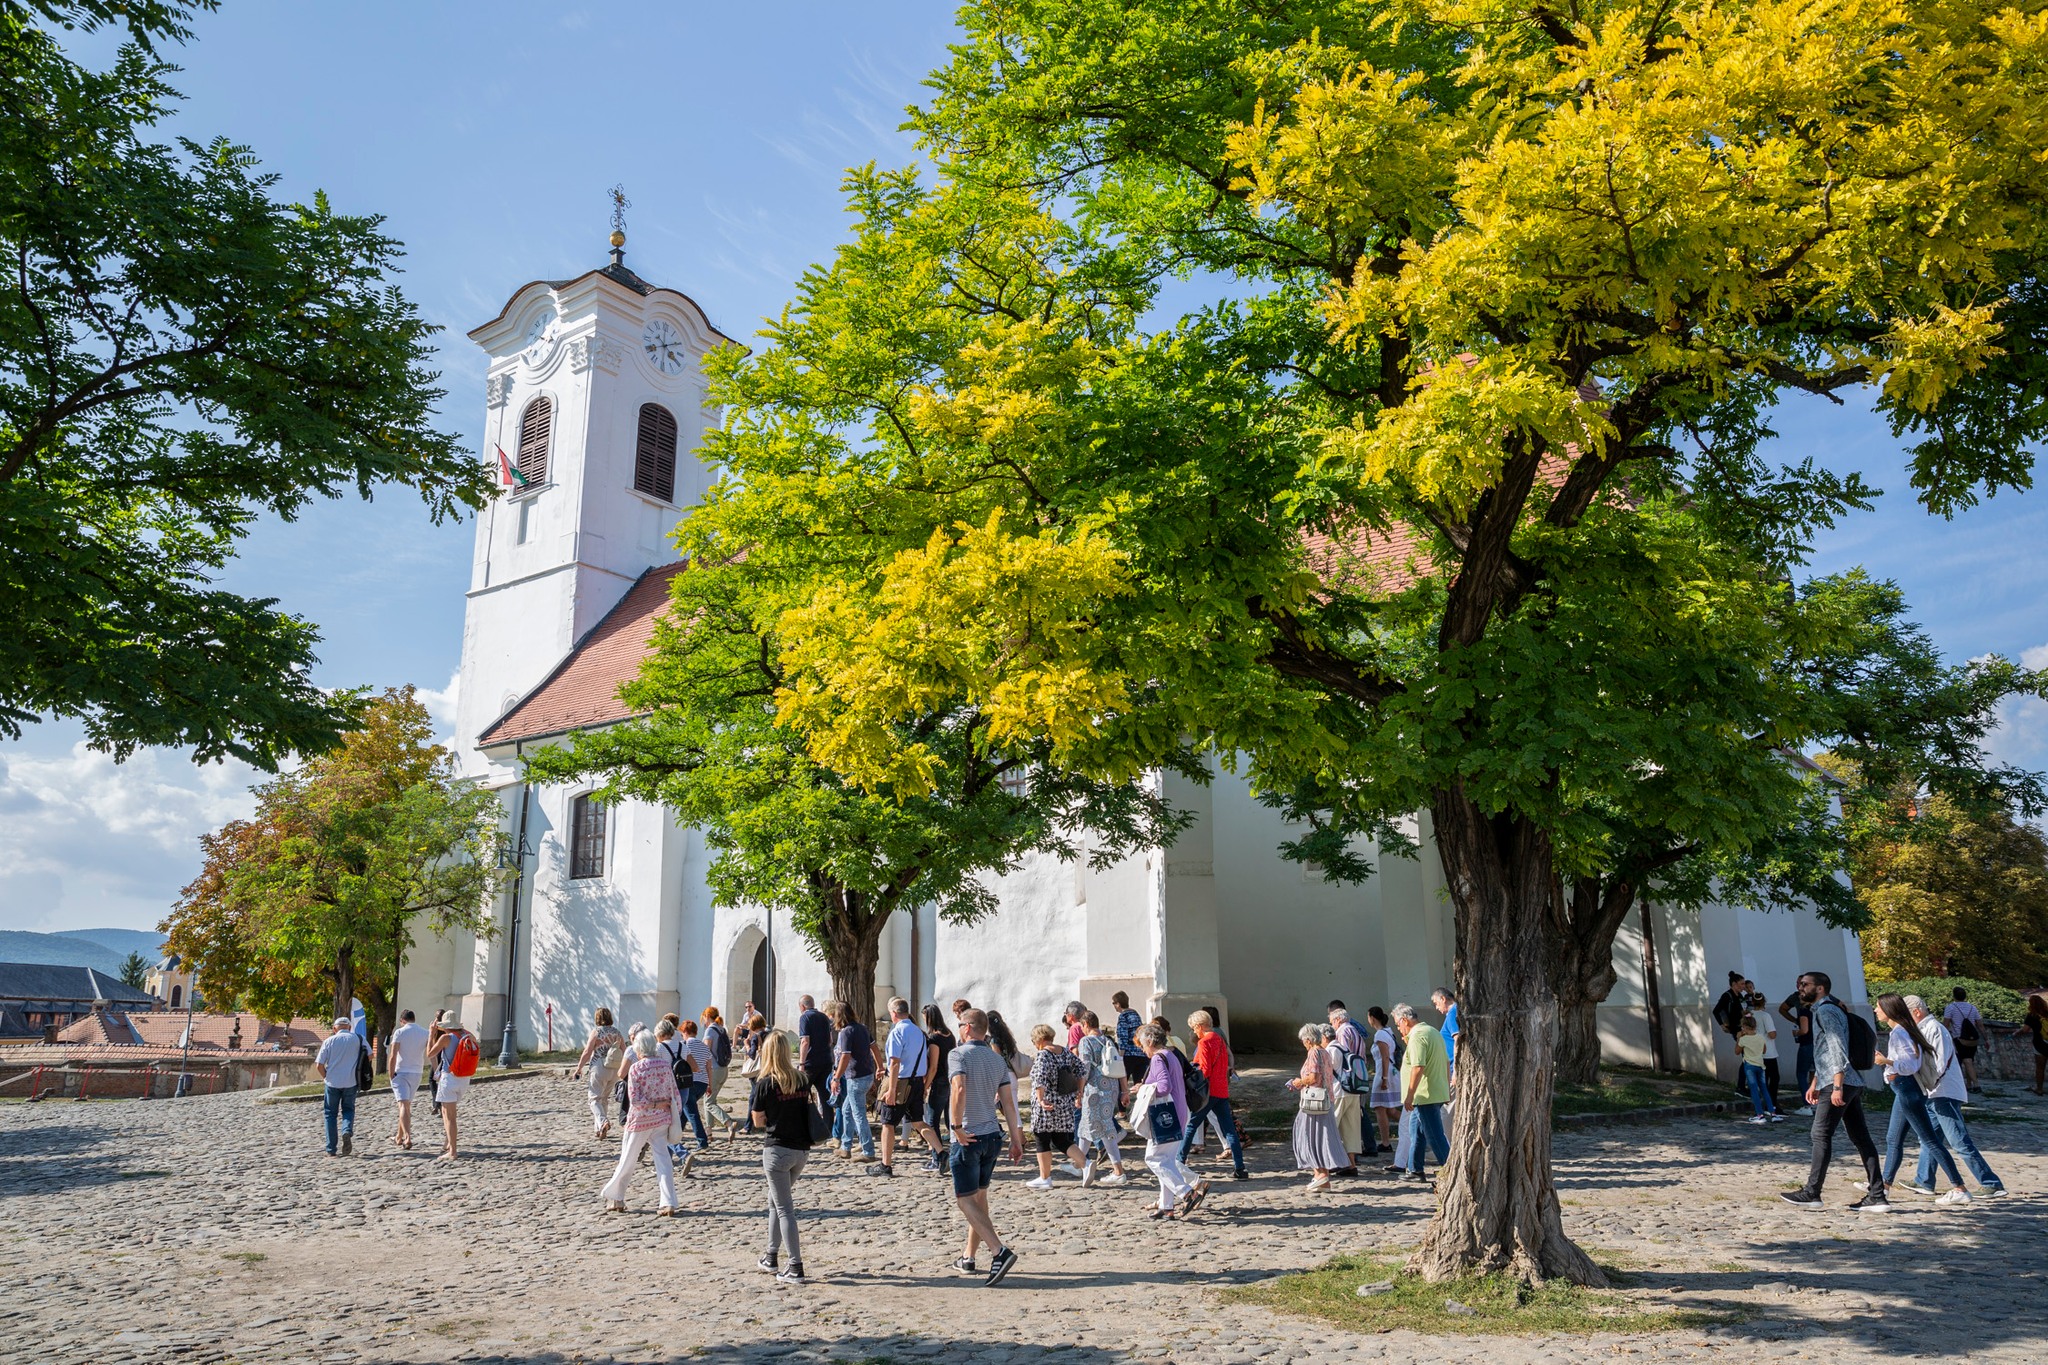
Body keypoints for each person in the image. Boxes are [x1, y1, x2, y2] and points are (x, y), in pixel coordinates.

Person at [1778, 970, 1885, 1211]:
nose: (1800, 989)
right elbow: (1823, 1050)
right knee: (1860, 1137)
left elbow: (1837, 1047)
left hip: (1841, 1083)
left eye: (1805, 985)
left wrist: (1836, 1084)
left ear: (1820, 988)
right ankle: (1877, 1195)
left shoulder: (1826, 1010)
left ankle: (1812, 1192)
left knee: (1820, 1135)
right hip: (1845, 1081)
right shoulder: (1823, 1010)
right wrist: (1815, 1082)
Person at [1865, 993, 1969, 1206]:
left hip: (1907, 1089)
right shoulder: (1903, 1030)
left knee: (1930, 1140)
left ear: (1889, 1010)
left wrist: (1885, 1061)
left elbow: (1910, 1066)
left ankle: (1959, 1187)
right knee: (1893, 1138)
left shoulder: (1899, 1033)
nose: (1875, 1011)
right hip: (1902, 1089)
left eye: (1878, 1007)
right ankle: (1883, 1186)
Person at [948, 1008, 1025, 1285]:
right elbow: (1007, 1102)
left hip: (969, 1135)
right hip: (992, 1135)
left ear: (968, 1028)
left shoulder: (958, 1055)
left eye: (959, 1025)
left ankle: (998, 1251)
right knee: (979, 1200)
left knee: (965, 1200)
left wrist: (956, 1127)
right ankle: (968, 1257)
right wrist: (1016, 1139)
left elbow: (959, 1088)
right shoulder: (996, 1060)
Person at [1906, 995, 2007, 1197]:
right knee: (1929, 1138)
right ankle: (1924, 1180)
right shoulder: (1926, 1029)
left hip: (1943, 1091)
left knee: (1958, 1140)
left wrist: (1926, 1082)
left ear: (1916, 1011)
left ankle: (1991, 1182)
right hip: (1935, 1091)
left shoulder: (1934, 1029)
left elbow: (1940, 1063)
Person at [750, 1029, 817, 1284]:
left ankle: (795, 1266)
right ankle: (770, 1255)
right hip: (800, 1151)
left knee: (785, 1209)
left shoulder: (764, 1083)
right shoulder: (802, 1079)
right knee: (775, 1202)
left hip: (777, 1150)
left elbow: (758, 1121)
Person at [600, 1031, 681, 1216]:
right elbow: (675, 1094)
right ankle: (668, 1202)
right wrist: (668, 1110)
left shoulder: (636, 1069)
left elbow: (635, 1101)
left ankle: (617, 1198)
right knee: (663, 1161)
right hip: (661, 1120)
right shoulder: (665, 1066)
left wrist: (653, 1104)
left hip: (640, 1122)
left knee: (627, 1160)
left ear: (638, 1049)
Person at [1135, 1022, 1205, 1218]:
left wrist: (1143, 1088)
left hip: (1165, 1115)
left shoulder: (1158, 1058)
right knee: (1167, 1161)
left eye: (1143, 1045)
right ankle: (1167, 1207)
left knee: (1154, 1159)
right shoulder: (1170, 1055)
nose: (1143, 1050)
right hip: (1178, 1112)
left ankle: (1187, 1193)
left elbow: (1164, 1087)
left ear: (1150, 1041)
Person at [876, 997, 943, 1177]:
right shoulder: (920, 1032)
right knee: (918, 1121)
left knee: (888, 1123)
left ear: (894, 1013)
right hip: (917, 1081)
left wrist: (891, 1089)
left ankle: (886, 1164)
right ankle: (941, 1153)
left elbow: (895, 1063)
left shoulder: (897, 1032)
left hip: (900, 1083)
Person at [1178, 1010, 1248, 1180]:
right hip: (1221, 1089)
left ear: (1199, 1026)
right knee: (1229, 1130)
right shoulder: (1220, 1040)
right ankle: (1240, 1167)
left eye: (1194, 1028)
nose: (1194, 1031)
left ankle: (1179, 1161)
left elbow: (1205, 1070)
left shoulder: (1204, 1043)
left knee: (1191, 1126)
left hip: (1208, 1092)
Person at [1024, 1024, 1089, 1190]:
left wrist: (1040, 1100)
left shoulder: (1043, 1055)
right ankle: (1085, 1162)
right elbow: (1082, 1069)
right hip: (1064, 1103)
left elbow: (1040, 1079)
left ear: (1038, 1039)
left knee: (1042, 1138)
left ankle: (1045, 1178)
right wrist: (1079, 1092)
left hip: (1048, 1104)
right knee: (1060, 1138)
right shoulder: (1065, 1052)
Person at [1394, 1003, 1451, 1183]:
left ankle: (1449, 1169)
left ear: (1404, 1020)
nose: (1398, 1029)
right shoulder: (1431, 1031)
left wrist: (1409, 1096)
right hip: (1434, 1091)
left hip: (1424, 1095)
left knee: (1434, 1135)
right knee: (1416, 1132)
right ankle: (1415, 1169)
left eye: (1398, 1024)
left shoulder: (1418, 1036)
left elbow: (1418, 1067)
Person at [1287, 1022, 1347, 1191]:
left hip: (1313, 1101)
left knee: (1307, 1136)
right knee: (1321, 1137)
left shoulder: (1314, 1052)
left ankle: (1319, 1173)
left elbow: (1313, 1077)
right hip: (1326, 1100)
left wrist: (1299, 1082)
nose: (1303, 1044)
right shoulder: (1325, 1052)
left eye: (1303, 1040)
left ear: (1307, 1039)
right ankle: (1322, 1177)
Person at [1073, 1010, 1128, 1186]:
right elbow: (1120, 1067)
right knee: (1102, 1128)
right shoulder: (1109, 1041)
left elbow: (1085, 1067)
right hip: (1111, 1089)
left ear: (1086, 1024)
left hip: (1094, 1089)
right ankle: (1082, 1165)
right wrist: (1124, 1091)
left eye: (1082, 1026)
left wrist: (1079, 1091)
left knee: (1088, 1126)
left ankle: (1082, 1165)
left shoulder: (1086, 1041)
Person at [1326, 1003, 1374, 1173]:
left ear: (1338, 1019)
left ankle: (1333, 1162)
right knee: (1352, 1127)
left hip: (1341, 1086)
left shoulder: (1342, 1033)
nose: (1332, 1025)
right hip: (1354, 1086)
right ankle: (1351, 1163)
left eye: (1332, 1021)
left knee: (1333, 1125)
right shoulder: (1355, 1030)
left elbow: (1340, 1060)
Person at [827, 1000, 876, 1163]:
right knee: (847, 1110)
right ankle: (846, 1147)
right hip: (867, 1075)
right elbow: (874, 1048)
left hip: (855, 1077)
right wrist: (879, 1067)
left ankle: (868, 1150)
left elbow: (845, 1057)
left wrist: (836, 1078)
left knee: (858, 1114)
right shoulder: (862, 1028)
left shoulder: (846, 1032)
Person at [427, 1013, 476, 1161]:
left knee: (450, 1117)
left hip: (450, 1078)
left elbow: (430, 1053)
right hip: (464, 1078)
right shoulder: (468, 1035)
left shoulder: (445, 1038)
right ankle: (448, 1143)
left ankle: (453, 1151)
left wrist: (431, 1035)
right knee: (445, 1111)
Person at [572, 1007, 625, 1140]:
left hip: (599, 1066)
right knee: (604, 1099)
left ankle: (602, 1122)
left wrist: (579, 1068)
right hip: (614, 1068)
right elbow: (624, 1051)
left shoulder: (597, 1032)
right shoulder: (617, 1033)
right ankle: (599, 1129)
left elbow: (587, 1051)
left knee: (594, 1098)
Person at [314, 1016, 364, 1158]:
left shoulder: (329, 1041)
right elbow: (370, 1055)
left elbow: (319, 1064)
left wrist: (325, 1077)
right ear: (349, 1027)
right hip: (351, 1081)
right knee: (348, 1109)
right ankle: (346, 1130)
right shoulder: (357, 1038)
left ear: (334, 1028)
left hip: (332, 1082)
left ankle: (331, 1148)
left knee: (330, 1114)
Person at [384, 1008, 428, 1150]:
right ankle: (399, 1136)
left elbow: (393, 1055)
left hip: (401, 1071)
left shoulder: (400, 1032)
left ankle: (407, 1137)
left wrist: (391, 1073)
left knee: (403, 1106)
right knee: (406, 1105)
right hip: (417, 1072)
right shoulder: (424, 1032)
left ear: (402, 1020)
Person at [1736, 1014, 1783, 1122]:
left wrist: (1739, 1038)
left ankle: (1759, 1114)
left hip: (1749, 1066)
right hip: (1760, 1065)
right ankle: (1773, 1113)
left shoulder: (1744, 1039)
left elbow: (1737, 1051)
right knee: (1764, 1089)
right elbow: (1764, 1050)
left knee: (1754, 1090)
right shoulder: (1760, 1037)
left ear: (1745, 1027)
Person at [678, 1019, 715, 1152]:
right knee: (685, 1111)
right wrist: (710, 1085)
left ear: (684, 1032)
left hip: (689, 1082)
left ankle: (702, 1141)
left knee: (692, 1113)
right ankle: (675, 1138)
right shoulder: (704, 1046)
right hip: (703, 1083)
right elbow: (709, 1067)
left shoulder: (683, 1045)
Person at [921, 1003, 956, 1145]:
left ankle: (937, 1153)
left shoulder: (934, 1038)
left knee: (932, 1120)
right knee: (950, 1118)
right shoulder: (950, 1035)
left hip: (939, 1080)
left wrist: (925, 1086)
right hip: (950, 1078)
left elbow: (934, 1067)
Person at [1779, 982, 1815, 1114]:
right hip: (1817, 1044)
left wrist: (1796, 1032)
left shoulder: (1804, 1011)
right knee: (1815, 1074)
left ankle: (1807, 1104)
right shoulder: (1816, 1010)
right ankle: (1815, 1102)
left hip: (1806, 1044)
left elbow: (1804, 1030)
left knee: (1801, 1074)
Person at [1366, 1006, 1400, 1147]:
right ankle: (1415, 1126)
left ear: (1372, 1018)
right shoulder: (1388, 1032)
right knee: (1390, 1109)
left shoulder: (1380, 1034)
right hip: (1389, 1071)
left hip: (1384, 1073)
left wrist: (1384, 1078)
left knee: (1380, 1107)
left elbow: (1385, 1057)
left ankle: (1385, 1142)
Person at [1942, 986, 1985, 1094]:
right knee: (1970, 1060)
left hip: (1959, 1038)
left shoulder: (1951, 1008)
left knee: (1966, 1061)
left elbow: (1946, 1024)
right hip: (1973, 1038)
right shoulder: (1972, 1008)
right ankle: (1969, 1085)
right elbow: (1980, 1024)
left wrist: (1943, 1037)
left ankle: (1976, 1085)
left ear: (1954, 996)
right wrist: (1985, 1038)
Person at [795, 993, 834, 1097]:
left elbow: (805, 1041)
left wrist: (802, 1064)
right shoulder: (824, 1017)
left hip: (810, 1062)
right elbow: (830, 1040)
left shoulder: (805, 1017)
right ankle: (827, 1114)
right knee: (825, 1095)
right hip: (825, 1061)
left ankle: (804, 1113)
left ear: (802, 1006)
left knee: (801, 1094)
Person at [701, 1006, 734, 1125]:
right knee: (709, 1100)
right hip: (723, 1069)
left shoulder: (710, 1030)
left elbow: (705, 1051)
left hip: (713, 1070)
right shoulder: (721, 1028)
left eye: (704, 1018)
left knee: (709, 1102)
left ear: (707, 1016)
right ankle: (709, 1130)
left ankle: (728, 1122)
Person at [1111, 990, 1146, 1089]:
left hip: (1128, 1054)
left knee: (1122, 1085)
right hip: (1140, 1053)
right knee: (1139, 1085)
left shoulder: (1123, 1016)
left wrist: (1120, 1057)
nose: (1113, 1006)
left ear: (1118, 1003)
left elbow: (1122, 1037)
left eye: (1114, 1003)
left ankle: (1122, 1103)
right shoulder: (1135, 1014)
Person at [1429, 988, 1460, 1084]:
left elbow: (1458, 1040)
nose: (1436, 1008)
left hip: (1452, 1068)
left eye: (1436, 1003)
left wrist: (1455, 1071)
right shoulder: (1457, 1010)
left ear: (1443, 999)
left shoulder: (1451, 1014)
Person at [986, 1010, 1029, 1078]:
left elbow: (997, 1059)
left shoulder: (994, 1041)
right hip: (1013, 1074)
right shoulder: (1008, 1037)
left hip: (1005, 1076)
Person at [2026, 993, 2048, 1097]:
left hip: (2039, 1044)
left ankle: (2039, 1089)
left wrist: (2016, 1032)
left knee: (2040, 1068)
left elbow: (2025, 1029)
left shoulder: (2032, 1015)